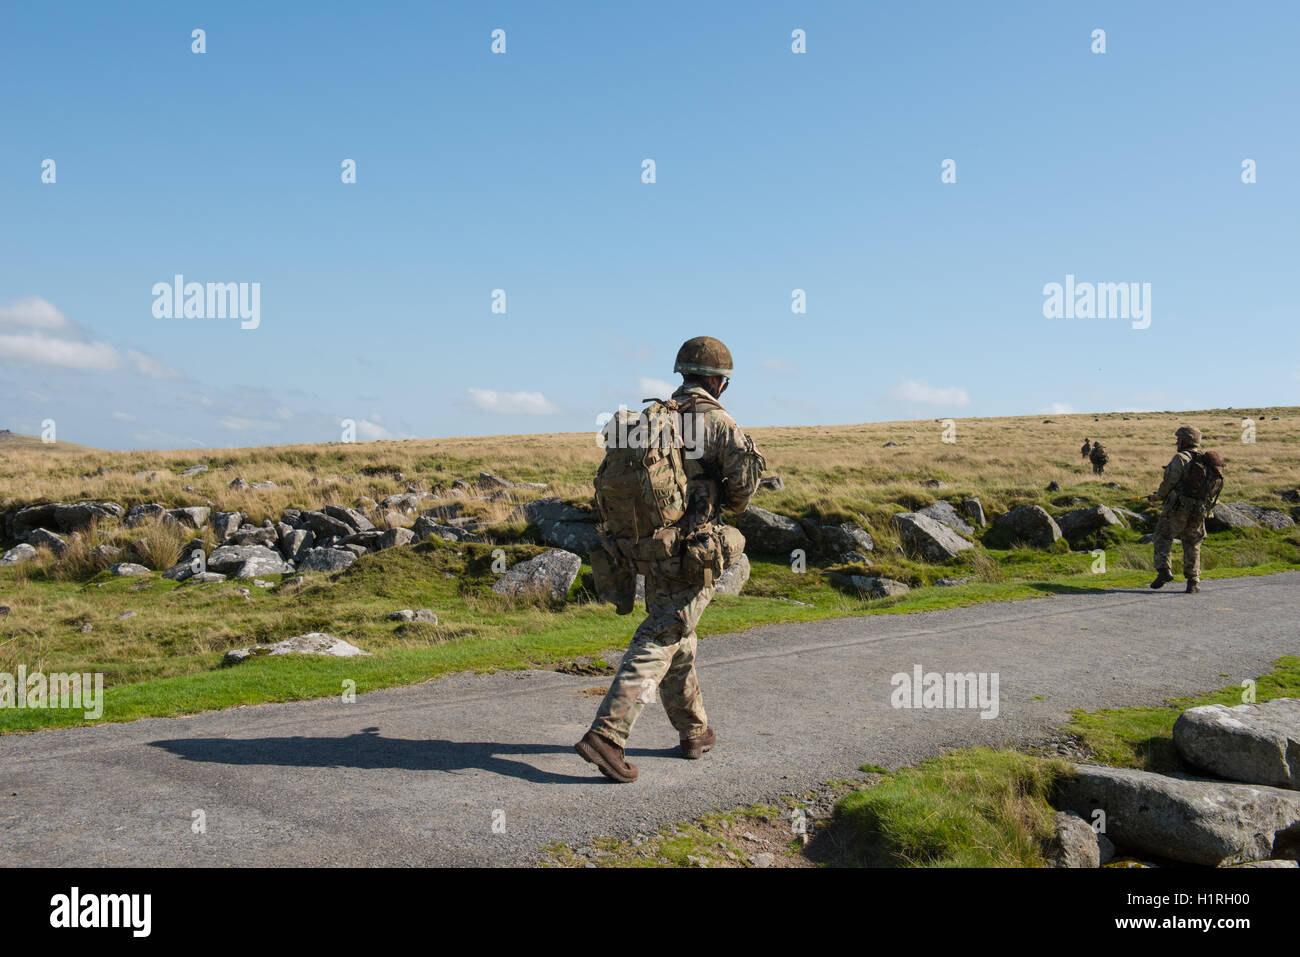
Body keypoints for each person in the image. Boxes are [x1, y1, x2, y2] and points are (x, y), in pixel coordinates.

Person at [575, 336, 765, 783]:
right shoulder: (717, 420)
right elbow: (740, 493)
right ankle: (607, 734)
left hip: (648, 547)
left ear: (684, 374)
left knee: (678, 634)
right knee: (663, 634)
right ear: (719, 381)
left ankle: (694, 731)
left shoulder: (653, 417)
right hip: (691, 549)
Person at [1148, 425, 1220, 594]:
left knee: (1163, 536)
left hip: (1177, 508)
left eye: (1179, 439)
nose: (1176, 442)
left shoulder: (1181, 458)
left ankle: (1164, 571)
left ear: (1186, 440)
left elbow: (1169, 482)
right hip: (1200, 509)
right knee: (1193, 543)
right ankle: (1193, 582)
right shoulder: (1207, 460)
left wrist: (1157, 497)